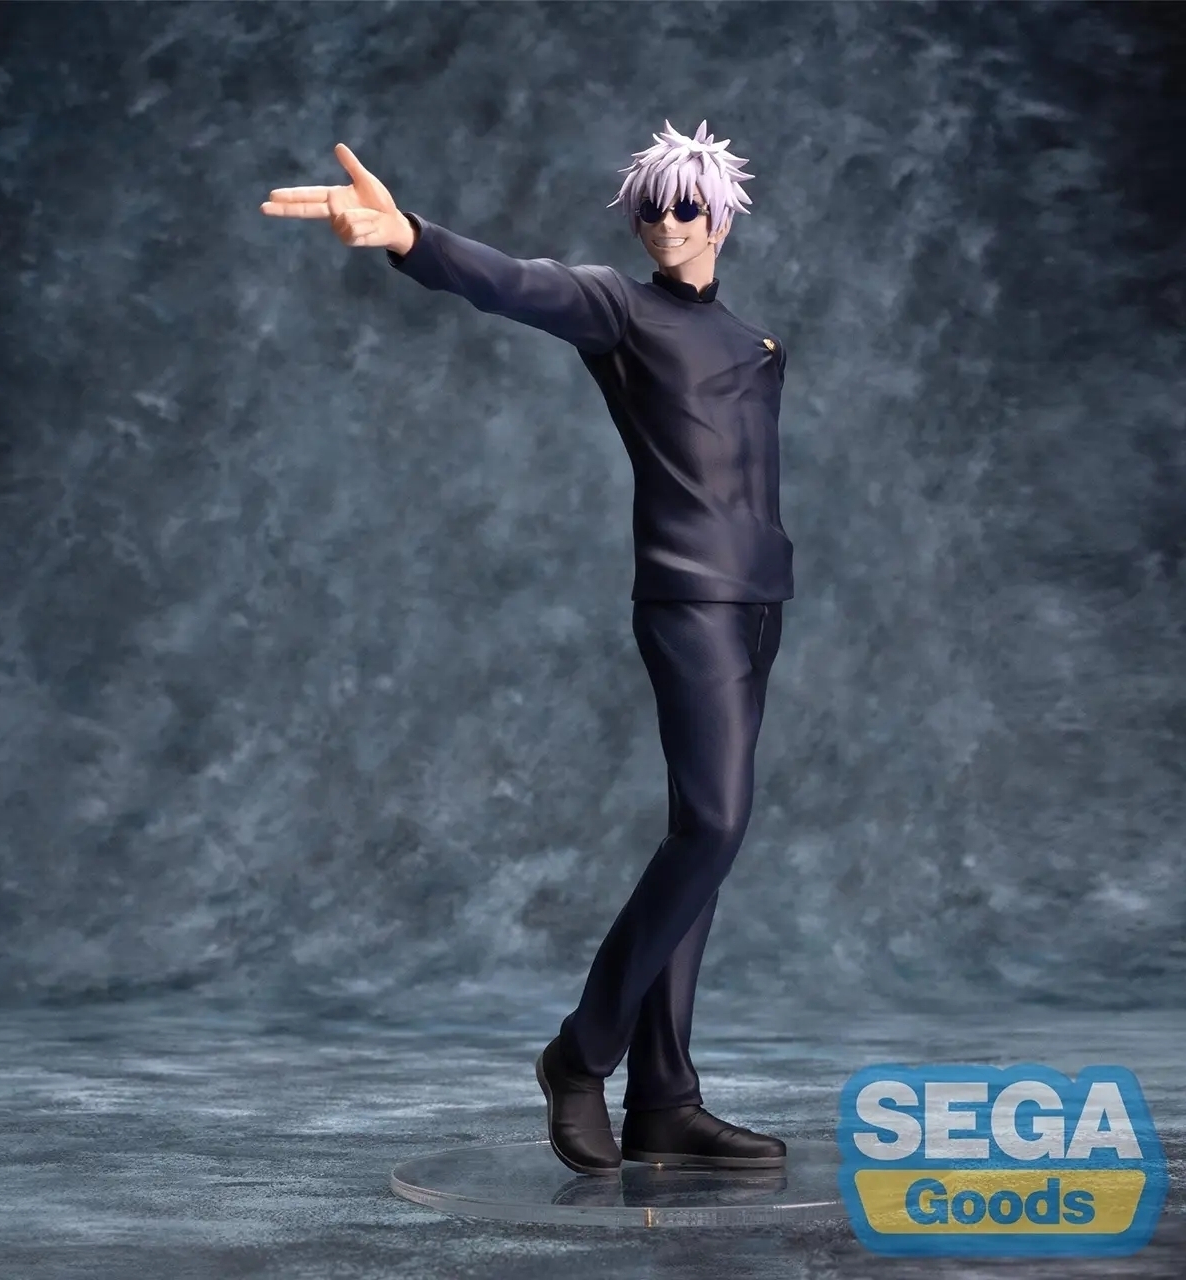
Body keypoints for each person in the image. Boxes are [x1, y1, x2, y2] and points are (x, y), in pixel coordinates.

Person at [262, 120, 791, 1176]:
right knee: (711, 829)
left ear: (722, 218)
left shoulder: (756, 345)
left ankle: (665, 1099)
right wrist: (410, 236)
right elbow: (511, 282)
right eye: (650, 207)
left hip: (761, 601)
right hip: (686, 598)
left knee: (703, 847)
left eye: (686, 207)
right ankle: (580, 1053)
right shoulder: (617, 308)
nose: (667, 223)